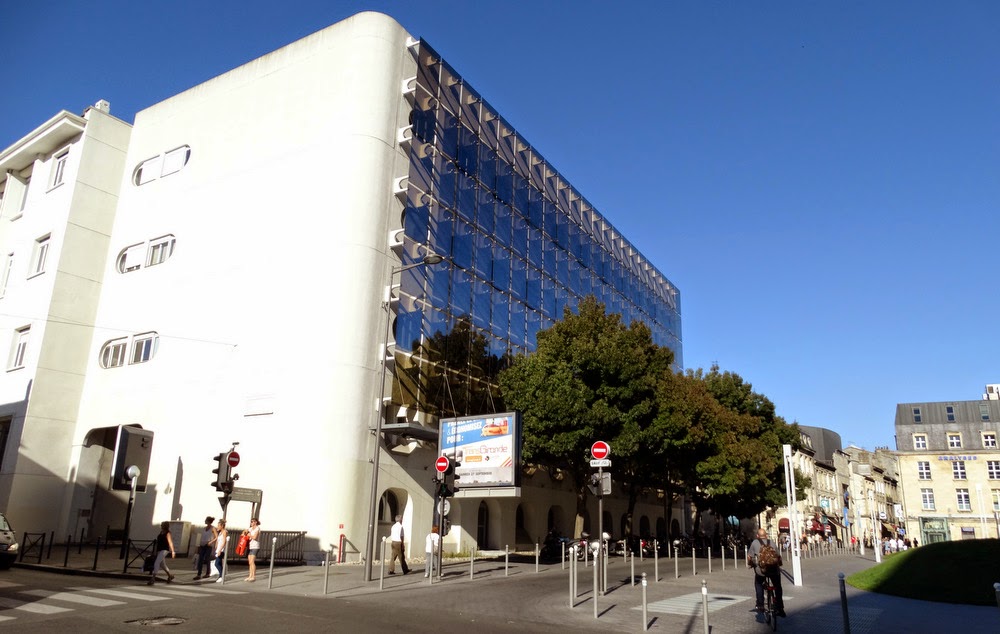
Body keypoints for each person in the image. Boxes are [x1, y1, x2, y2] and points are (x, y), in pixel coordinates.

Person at [747, 528, 784, 617]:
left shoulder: (755, 543)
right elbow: (778, 556)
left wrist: (751, 564)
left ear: (757, 536)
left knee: (758, 583)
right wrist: (779, 565)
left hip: (761, 570)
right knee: (777, 586)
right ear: (766, 535)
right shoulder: (771, 542)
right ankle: (780, 608)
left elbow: (749, 557)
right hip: (774, 570)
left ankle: (760, 605)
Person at [194, 516, 217, 580]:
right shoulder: (204, 528)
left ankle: (207, 573)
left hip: (208, 545)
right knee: (200, 559)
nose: (205, 521)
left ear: (208, 521)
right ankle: (199, 574)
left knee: (207, 559)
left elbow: (216, 537)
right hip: (202, 544)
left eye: (206, 520)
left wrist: (211, 542)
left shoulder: (213, 528)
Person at [243, 517, 261, 582]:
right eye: (251, 521)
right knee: (249, 562)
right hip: (250, 546)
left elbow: (255, 537)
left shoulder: (257, 529)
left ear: (256, 522)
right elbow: (245, 531)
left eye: (253, 521)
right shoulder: (250, 529)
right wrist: (245, 532)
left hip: (255, 546)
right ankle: (250, 575)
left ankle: (253, 576)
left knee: (252, 561)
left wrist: (249, 535)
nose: (252, 523)